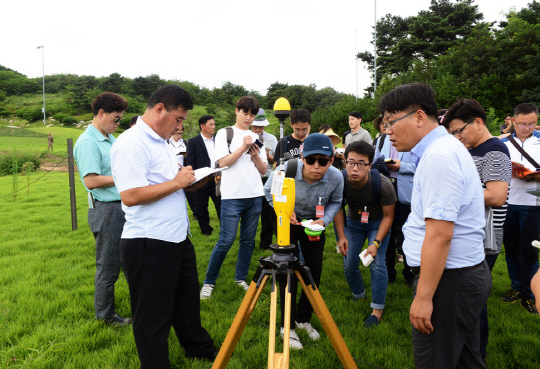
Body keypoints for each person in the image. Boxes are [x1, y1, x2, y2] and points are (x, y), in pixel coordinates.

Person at [379, 83, 491, 369]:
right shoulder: (443, 149)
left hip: (448, 283)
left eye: (391, 122)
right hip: (456, 278)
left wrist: (424, 297)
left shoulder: (439, 156)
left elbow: (440, 236)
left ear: (418, 117)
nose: (387, 130)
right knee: (466, 360)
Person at [110, 85, 217, 368]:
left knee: (186, 305)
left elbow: (168, 185)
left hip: (177, 238)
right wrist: (177, 183)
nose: (180, 126)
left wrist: (190, 184)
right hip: (148, 242)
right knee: (152, 317)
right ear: (160, 109)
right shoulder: (132, 142)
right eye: (179, 119)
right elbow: (130, 196)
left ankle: (198, 348)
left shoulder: (163, 142)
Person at [442, 98, 511, 362]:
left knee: (473, 301)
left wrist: (453, 192)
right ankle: (468, 351)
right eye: (453, 134)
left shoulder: (495, 150)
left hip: (485, 238)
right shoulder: (472, 149)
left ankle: (475, 354)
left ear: (478, 122)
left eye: (459, 131)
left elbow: (496, 195)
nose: (457, 137)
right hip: (470, 234)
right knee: (469, 300)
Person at [263, 133, 343, 349]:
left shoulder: (336, 177)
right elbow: (268, 192)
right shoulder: (286, 169)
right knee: (288, 272)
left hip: (313, 224)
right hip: (287, 220)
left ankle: (303, 319)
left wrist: (323, 221)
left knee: (313, 271)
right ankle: (286, 326)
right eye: (310, 160)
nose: (316, 166)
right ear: (302, 158)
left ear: (332, 160)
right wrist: (284, 210)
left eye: (323, 161)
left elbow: (336, 202)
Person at [200, 96, 267, 299]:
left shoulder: (257, 137)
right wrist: (243, 148)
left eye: (252, 115)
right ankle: (209, 282)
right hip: (232, 196)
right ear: (236, 111)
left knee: (248, 241)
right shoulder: (225, 133)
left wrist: (254, 153)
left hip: (255, 195)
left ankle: (241, 278)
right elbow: (222, 163)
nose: (248, 118)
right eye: (245, 113)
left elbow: (263, 170)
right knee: (226, 240)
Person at [73, 92, 131, 326]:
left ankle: (144, 304)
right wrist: (123, 175)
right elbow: (92, 181)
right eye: (116, 118)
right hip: (106, 210)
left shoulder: (110, 138)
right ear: (101, 113)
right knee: (108, 267)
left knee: (131, 259)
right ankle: (105, 316)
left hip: (122, 207)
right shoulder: (88, 142)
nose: (118, 123)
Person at [334, 140, 396, 327]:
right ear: (345, 162)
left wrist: (376, 243)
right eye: (351, 162)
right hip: (353, 223)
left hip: (378, 223)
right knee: (349, 262)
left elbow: (388, 217)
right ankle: (359, 295)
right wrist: (341, 237)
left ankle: (377, 309)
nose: (355, 168)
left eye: (361, 164)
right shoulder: (341, 180)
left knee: (377, 264)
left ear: (369, 165)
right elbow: (338, 207)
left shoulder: (384, 185)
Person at [500, 103, 540, 314]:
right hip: (507, 202)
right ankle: (517, 287)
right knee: (511, 250)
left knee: (530, 252)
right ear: (513, 121)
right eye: (523, 123)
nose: (527, 127)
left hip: (533, 205)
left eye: (532, 123)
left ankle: (531, 294)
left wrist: (531, 175)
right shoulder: (502, 143)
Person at [373, 116, 416, 287]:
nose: (387, 127)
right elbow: (375, 160)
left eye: (389, 123)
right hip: (386, 188)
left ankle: (410, 273)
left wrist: (401, 166)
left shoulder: (412, 139)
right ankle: (388, 271)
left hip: (406, 192)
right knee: (386, 233)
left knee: (407, 234)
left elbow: (422, 165)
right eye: (384, 124)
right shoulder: (381, 140)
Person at [185, 115, 221, 236]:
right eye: (211, 124)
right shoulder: (193, 142)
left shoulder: (218, 140)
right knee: (201, 207)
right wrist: (196, 177)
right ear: (202, 126)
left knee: (221, 205)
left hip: (217, 178)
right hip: (202, 179)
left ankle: (225, 228)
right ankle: (206, 230)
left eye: (214, 124)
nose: (213, 127)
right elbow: (190, 161)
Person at [250, 108, 278, 249]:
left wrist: (268, 157)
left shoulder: (272, 139)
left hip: (267, 179)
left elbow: (278, 162)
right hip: (250, 180)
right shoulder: (245, 138)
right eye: (255, 126)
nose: (258, 129)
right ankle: (249, 242)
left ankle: (265, 243)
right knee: (251, 213)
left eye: (261, 126)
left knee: (268, 214)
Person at [169, 126, 198, 221]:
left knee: (191, 194)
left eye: (181, 133)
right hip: (171, 172)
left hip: (184, 170)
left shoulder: (185, 143)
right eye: (178, 133)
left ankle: (196, 213)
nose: (179, 135)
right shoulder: (167, 142)